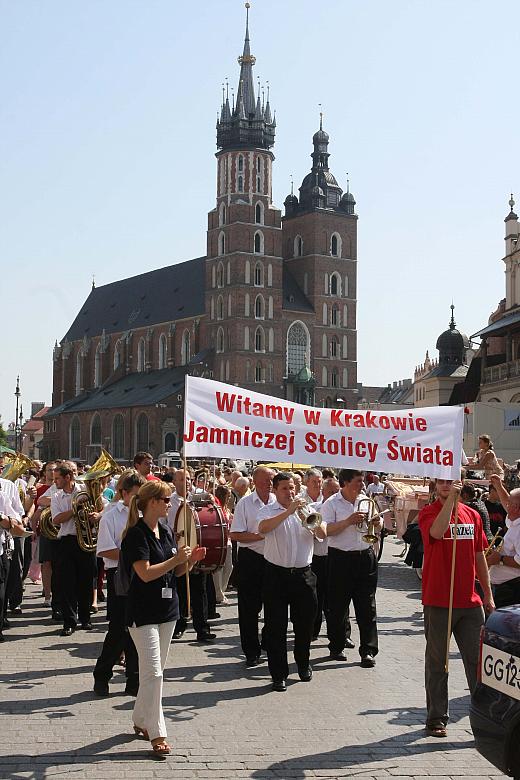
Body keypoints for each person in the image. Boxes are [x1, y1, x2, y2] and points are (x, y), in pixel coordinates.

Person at [121, 480, 205, 757]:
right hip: (142, 611)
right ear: (153, 502)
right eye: (166, 500)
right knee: (154, 672)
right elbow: (145, 573)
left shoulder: (166, 530)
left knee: (153, 673)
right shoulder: (136, 535)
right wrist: (175, 560)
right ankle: (158, 732)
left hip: (168, 610)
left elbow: (177, 573)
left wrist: (189, 561)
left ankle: (139, 718)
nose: (170, 505)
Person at [418, 478, 494, 738]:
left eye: (450, 481)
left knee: (477, 662)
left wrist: (488, 594)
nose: (445, 485)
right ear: (434, 486)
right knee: (438, 662)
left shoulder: (472, 515)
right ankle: (436, 718)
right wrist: (450, 503)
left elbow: (479, 555)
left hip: (469, 602)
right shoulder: (429, 512)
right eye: (441, 482)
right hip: (439, 600)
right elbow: (436, 533)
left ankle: (485, 718)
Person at [258, 472, 326, 691]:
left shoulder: (308, 510)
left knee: (305, 624)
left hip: (303, 574)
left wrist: (309, 520)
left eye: (292, 488)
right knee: (276, 626)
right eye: (285, 488)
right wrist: (288, 512)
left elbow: (323, 534)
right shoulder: (267, 510)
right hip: (275, 574)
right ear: (275, 491)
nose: (290, 492)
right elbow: (263, 529)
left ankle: (303, 664)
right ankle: (278, 675)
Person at [93, 469, 146, 697]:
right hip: (120, 577)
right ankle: (102, 675)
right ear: (123, 493)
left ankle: (134, 680)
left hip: (143, 577)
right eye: (135, 494)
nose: (139, 500)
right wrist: (133, 556)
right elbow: (104, 549)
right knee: (118, 631)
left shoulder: (146, 515)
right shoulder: (111, 515)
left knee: (139, 631)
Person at [322, 469, 379, 666]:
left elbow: (375, 529)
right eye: (357, 481)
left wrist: (376, 523)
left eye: (362, 481)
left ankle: (368, 650)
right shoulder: (331, 504)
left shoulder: (366, 500)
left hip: (365, 556)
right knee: (337, 605)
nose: (361, 485)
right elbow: (325, 531)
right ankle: (337, 645)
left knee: (367, 606)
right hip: (340, 559)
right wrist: (348, 521)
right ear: (345, 482)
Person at [230, 466, 275, 667]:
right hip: (251, 558)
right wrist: (258, 536)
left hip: (274, 559)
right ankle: (251, 651)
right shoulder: (245, 504)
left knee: (274, 606)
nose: (269, 484)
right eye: (266, 480)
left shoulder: (279, 503)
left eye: (272, 480)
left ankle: (268, 642)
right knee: (249, 609)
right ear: (255, 482)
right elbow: (235, 535)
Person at [166, 470, 214, 643]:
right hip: (178, 552)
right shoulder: (169, 501)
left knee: (199, 590)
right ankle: (179, 625)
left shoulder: (200, 496)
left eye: (188, 478)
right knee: (179, 590)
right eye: (181, 479)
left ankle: (202, 628)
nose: (186, 482)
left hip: (197, 548)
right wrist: (173, 535)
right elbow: (163, 525)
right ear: (174, 481)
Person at [51, 462, 96, 637]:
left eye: (57, 478)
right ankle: (69, 622)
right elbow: (56, 519)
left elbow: (102, 507)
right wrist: (76, 508)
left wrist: (96, 515)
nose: (55, 482)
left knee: (86, 580)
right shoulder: (56, 496)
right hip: (67, 541)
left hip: (85, 539)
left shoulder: (85, 489)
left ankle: (85, 619)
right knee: (67, 583)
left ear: (68, 477)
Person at [310, 476, 339, 641]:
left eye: (337, 492)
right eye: (331, 492)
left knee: (337, 599)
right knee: (315, 598)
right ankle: (313, 630)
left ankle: (340, 635)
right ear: (323, 492)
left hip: (336, 557)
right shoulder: (314, 508)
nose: (334, 495)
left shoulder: (342, 510)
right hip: (317, 558)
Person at [486, 476, 520, 607]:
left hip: (512, 590)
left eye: (509, 503)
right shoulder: (515, 519)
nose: (505, 505)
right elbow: (508, 503)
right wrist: (499, 486)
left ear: (516, 508)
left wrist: (499, 559)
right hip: (505, 588)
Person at [212, 484, 233, 605]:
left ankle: (221, 591)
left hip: (228, 541)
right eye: (228, 495)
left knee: (229, 567)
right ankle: (218, 594)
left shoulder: (227, 508)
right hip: (219, 541)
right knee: (218, 568)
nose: (229, 498)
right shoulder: (217, 508)